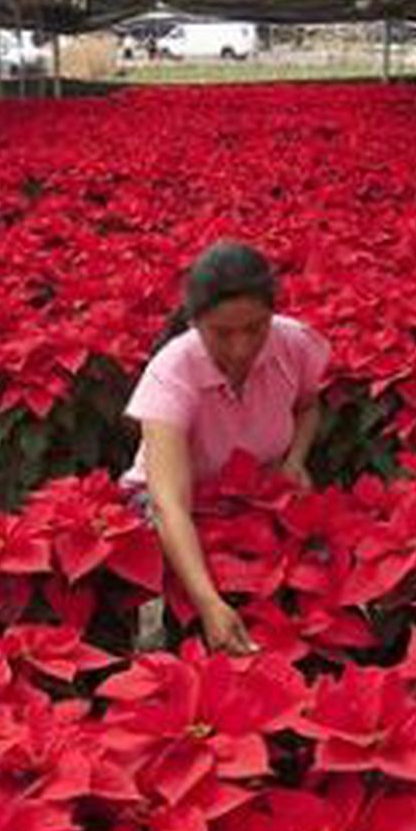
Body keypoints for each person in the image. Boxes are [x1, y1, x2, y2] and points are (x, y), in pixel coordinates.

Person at [122, 240, 330, 655]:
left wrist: (295, 462)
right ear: (196, 323)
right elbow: (169, 504)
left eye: (255, 329)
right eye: (222, 333)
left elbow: (309, 406)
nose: (241, 348)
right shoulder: (172, 371)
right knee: (215, 574)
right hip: (179, 501)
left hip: (255, 487)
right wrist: (208, 603)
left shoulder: (294, 344)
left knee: (318, 551)